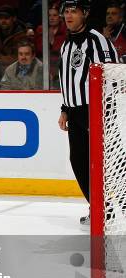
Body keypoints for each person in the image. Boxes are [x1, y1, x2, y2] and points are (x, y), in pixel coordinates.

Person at [57, 0, 118, 225]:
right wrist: (65, 110)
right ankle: (102, 209)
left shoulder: (97, 40)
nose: (69, 16)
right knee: (79, 161)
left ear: (85, 14)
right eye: (67, 12)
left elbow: (112, 75)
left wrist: (105, 110)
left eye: (74, 11)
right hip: (74, 113)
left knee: (108, 164)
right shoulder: (65, 45)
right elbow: (66, 80)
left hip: (96, 111)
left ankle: (114, 205)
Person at [35, 4, 67, 88]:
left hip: (60, 68)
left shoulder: (66, 31)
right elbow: (38, 51)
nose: (51, 18)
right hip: (43, 67)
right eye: (49, 15)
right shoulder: (40, 30)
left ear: (60, 17)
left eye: (54, 15)